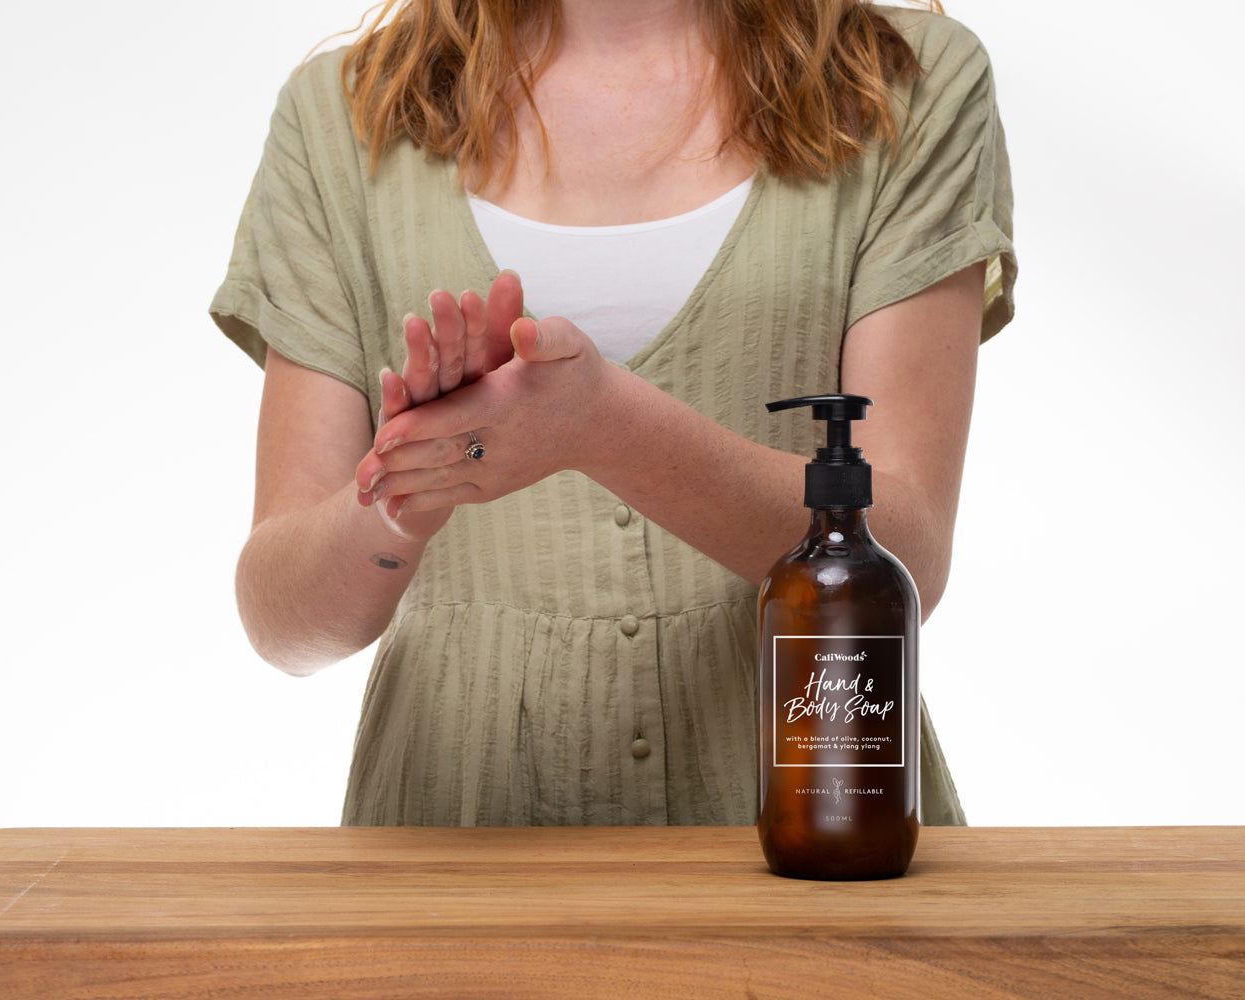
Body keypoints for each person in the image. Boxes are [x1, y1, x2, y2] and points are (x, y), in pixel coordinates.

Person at [209, 0, 1015, 827]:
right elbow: (283, 622)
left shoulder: (903, 82)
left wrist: (605, 427)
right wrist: (402, 495)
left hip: (820, 810)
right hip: (453, 837)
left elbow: (909, 560)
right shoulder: (341, 116)